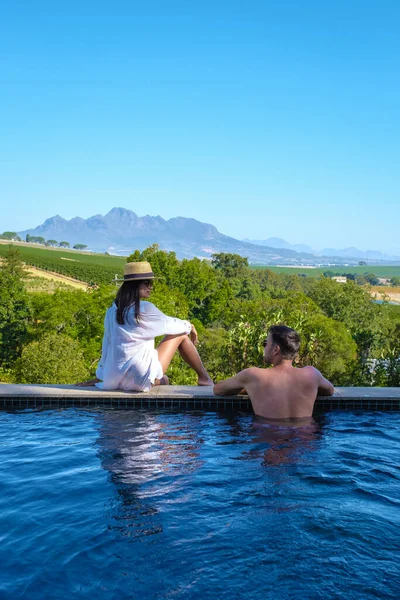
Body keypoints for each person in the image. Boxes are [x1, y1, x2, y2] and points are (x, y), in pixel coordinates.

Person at [78, 261, 213, 391]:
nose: (151, 287)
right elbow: (170, 324)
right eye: (147, 283)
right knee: (181, 334)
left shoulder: (111, 312)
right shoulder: (145, 309)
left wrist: (99, 376)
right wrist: (190, 326)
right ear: (135, 285)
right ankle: (204, 378)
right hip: (138, 378)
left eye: (151, 283)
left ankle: (162, 380)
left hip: (114, 379)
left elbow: (106, 345)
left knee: (162, 376)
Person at [213, 325, 334, 419]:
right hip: (305, 439)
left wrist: (247, 387)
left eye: (265, 343)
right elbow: (330, 391)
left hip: (269, 437)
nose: (264, 347)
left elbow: (217, 390)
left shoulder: (253, 375)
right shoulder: (312, 374)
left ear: (275, 349)